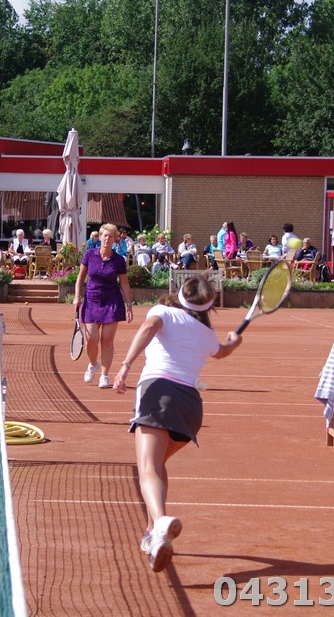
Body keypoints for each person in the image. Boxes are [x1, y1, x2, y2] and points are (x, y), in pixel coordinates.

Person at [113, 275, 242, 572]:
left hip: (158, 392)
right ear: (208, 305)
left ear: (180, 294)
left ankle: (160, 522)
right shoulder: (207, 333)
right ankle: (152, 535)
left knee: (146, 468)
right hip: (191, 407)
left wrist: (125, 365)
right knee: (157, 465)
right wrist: (233, 343)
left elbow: (148, 327)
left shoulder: (163, 312)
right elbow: (221, 352)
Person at [73, 224, 134, 389]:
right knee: (91, 340)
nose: (107, 239)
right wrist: (77, 297)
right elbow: (80, 277)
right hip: (91, 301)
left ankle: (104, 375)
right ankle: (93, 364)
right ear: (100, 237)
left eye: (111, 236)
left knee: (107, 340)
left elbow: (125, 284)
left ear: (115, 240)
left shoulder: (119, 260)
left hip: (112, 301)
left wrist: (129, 306)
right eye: (105, 235)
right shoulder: (89, 255)